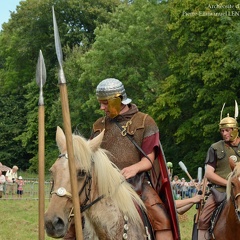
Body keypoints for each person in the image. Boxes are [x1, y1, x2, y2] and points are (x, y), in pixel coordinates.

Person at [90, 78, 174, 240]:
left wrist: (133, 168)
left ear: (118, 99)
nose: (101, 107)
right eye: (100, 103)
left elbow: (150, 158)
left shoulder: (144, 121)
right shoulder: (99, 125)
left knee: (161, 219)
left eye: (105, 103)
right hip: (102, 186)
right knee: (72, 219)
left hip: (136, 184)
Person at [197, 105, 240, 240]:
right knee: (203, 219)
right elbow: (209, 174)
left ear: (235, 130)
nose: (224, 133)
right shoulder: (215, 148)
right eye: (222, 131)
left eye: (227, 130)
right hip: (219, 191)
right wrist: (228, 183)